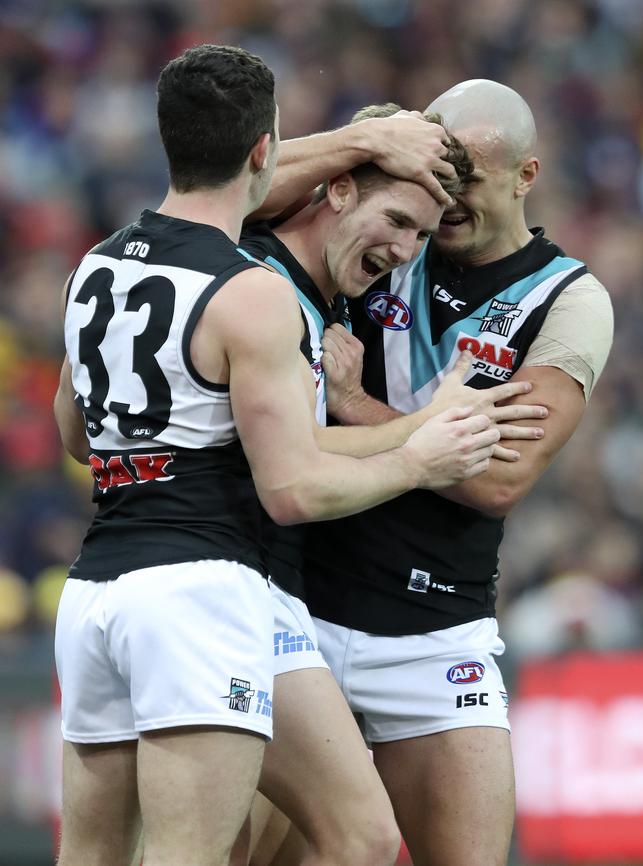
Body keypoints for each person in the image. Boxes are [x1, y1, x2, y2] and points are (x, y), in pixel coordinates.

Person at [53, 47, 504, 866]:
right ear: (268, 152)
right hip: (201, 588)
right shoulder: (252, 290)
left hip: (93, 593)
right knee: (201, 852)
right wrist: (421, 451)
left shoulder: (96, 265)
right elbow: (292, 488)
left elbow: (78, 437)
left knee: (92, 853)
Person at [250, 83, 614, 866]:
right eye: (437, 174)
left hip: (434, 628)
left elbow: (496, 481)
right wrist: (360, 148)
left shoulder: (566, 299)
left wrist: (351, 402)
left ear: (526, 175)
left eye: (470, 180)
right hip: (300, 608)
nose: (443, 205)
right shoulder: (384, 225)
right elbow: (229, 196)